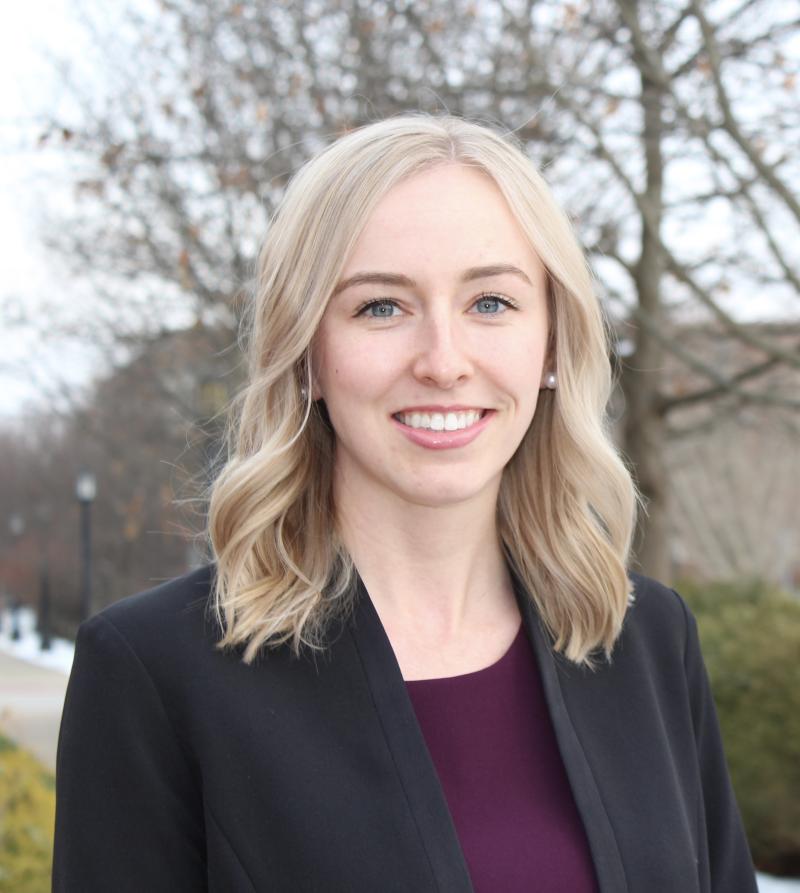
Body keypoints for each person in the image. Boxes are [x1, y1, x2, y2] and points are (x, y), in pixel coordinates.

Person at [52, 114, 758, 892]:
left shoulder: (646, 639)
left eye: (490, 302)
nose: (443, 362)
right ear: (308, 352)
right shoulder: (157, 673)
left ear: (552, 342)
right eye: (381, 307)